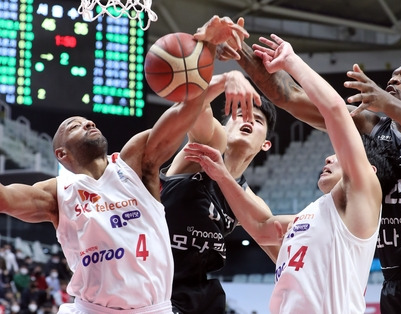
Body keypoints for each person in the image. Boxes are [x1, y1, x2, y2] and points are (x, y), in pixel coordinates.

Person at [0, 16, 249, 313]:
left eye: (87, 120)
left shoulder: (134, 164)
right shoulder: (57, 193)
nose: (87, 122)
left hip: (154, 309)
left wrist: (204, 47)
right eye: (73, 126)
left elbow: (186, 111)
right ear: (62, 155)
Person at [232, 37, 401, 312]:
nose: (394, 79)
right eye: (393, 75)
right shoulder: (368, 125)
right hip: (394, 277)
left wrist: (386, 102)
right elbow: (288, 96)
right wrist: (238, 49)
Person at [184, 34, 399, 313]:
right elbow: (263, 230)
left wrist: (292, 62)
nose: (329, 156)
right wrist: (222, 175)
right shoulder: (312, 215)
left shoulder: (363, 192)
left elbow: (335, 111)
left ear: (367, 170)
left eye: (337, 156)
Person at [158, 69, 287, 313]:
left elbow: (285, 258)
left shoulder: (250, 201)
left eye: (257, 120)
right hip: (154, 283)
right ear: (223, 128)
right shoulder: (205, 148)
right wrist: (229, 77)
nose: (248, 119)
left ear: (265, 145)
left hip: (198, 294)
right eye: (240, 114)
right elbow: (193, 103)